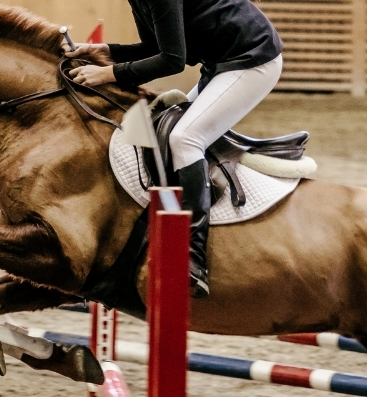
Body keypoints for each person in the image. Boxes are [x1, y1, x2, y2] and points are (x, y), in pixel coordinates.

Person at [63, 0, 284, 298]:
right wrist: (110, 51)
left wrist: (110, 73)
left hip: (252, 59)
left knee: (185, 139)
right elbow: (157, 47)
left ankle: (194, 258)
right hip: (220, 62)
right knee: (160, 129)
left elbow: (171, 61)